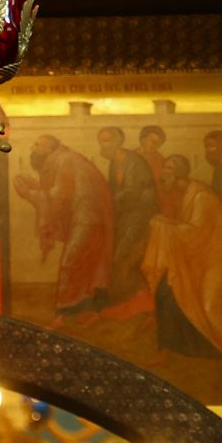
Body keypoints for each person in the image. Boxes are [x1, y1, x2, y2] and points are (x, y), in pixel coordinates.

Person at [141, 154, 222, 362]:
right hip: (191, 256)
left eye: (169, 168)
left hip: (213, 259)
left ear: (180, 173)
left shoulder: (201, 196)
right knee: (164, 292)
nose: (164, 173)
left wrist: (165, 226)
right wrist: (165, 224)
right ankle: (167, 349)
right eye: (164, 168)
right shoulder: (181, 194)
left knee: (209, 306)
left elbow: (196, 232)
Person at [12, 133, 115, 318]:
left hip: (89, 218)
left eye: (38, 145)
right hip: (88, 216)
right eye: (34, 144)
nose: (33, 149)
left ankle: (68, 310)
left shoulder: (64, 160)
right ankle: (82, 308)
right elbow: (59, 192)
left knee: (72, 260)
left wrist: (28, 193)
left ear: (50, 149)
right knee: (83, 261)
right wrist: (35, 186)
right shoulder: (60, 160)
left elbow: (60, 195)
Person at [98, 126, 159, 312]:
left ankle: (133, 301)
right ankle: (123, 299)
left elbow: (133, 192)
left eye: (106, 140)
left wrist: (108, 201)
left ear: (118, 141)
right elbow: (115, 189)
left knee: (125, 255)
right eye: (100, 141)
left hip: (141, 216)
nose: (102, 145)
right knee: (114, 253)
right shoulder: (115, 161)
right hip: (125, 215)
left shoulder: (134, 161)